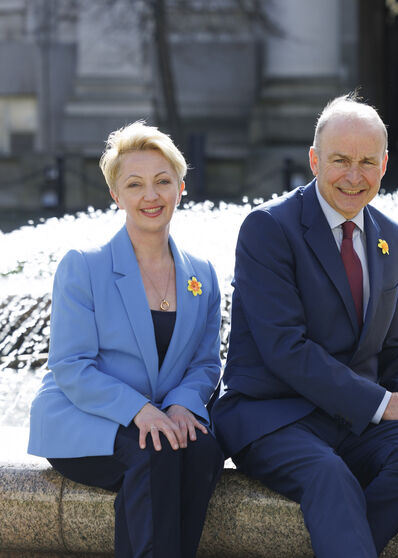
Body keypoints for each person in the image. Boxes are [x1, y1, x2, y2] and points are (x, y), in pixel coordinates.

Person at [210, 92, 398, 558]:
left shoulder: (395, 238)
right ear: (314, 159)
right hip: (275, 413)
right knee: (330, 478)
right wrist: (386, 404)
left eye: (367, 161)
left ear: (385, 164)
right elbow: (285, 348)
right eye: (340, 160)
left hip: (354, 421)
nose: (354, 176)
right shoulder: (268, 228)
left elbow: (396, 351)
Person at [28, 122, 225, 558]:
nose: (150, 196)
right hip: (86, 418)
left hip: (160, 416)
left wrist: (180, 404)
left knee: (204, 450)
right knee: (154, 453)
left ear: (181, 188)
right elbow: (71, 365)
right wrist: (140, 411)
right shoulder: (84, 266)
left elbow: (206, 364)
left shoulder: (203, 275)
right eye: (134, 185)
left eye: (162, 182)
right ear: (116, 195)